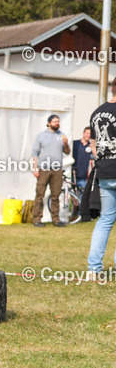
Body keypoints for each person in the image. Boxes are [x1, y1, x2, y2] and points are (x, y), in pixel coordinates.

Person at [87, 81, 116, 278]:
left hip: (104, 169)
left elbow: (93, 145)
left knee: (105, 220)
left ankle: (93, 269)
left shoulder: (96, 112)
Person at [30, 114, 70, 228]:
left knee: (56, 195)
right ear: (48, 123)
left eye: (58, 121)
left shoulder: (62, 135)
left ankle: (56, 220)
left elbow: (67, 151)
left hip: (57, 170)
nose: (57, 123)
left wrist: (66, 144)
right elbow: (34, 153)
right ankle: (37, 219)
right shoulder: (41, 136)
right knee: (40, 194)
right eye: (54, 121)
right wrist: (35, 168)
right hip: (44, 168)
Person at [72, 126, 93, 194]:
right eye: (87, 133)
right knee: (71, 195)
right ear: (83, 133)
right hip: (72, 174)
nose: (88, 135)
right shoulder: (75, 144)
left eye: (90, 134)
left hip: (83, 176)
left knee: (82, 195)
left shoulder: (91, 146)